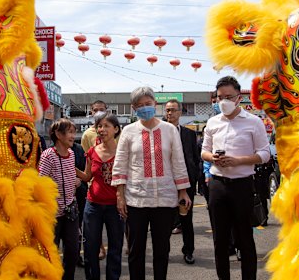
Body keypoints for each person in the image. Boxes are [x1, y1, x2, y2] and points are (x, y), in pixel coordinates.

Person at [111, 86, 192, 280]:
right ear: (133, 108)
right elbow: (120, 164)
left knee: (162, 251)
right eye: (140, 105)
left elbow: (178, 161)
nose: (145, 108)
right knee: (135, 251)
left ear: (155, 104)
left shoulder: (169, 130)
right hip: (136, 200)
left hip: (165, 199)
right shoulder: (129, 131)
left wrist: (183, 192)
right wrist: (120, 196)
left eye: (148, 103)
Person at [201, 76, 270, 280]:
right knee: (220, 240)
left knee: (245, 238)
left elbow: (264, 153)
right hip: (217, 185)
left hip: (242, 185)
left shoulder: (254, 122)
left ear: (239, 97)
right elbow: (204, 151)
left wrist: (239, 161)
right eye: (219, 97)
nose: (223, 102)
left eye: (228, 97)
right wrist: (212, 158)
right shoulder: (212, 122)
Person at [76, 113, 124, 280]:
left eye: (106, 126)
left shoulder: (123, 153)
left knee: (115, 249)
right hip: (93, 205)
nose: (102, 129)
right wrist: (69, 165)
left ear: (116, 129)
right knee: (90, 248)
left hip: (115, 207)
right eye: (99, 126)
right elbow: (87, 177)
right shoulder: (91, 151)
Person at [39, 118, 81, 280]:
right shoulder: (47, 156)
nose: (73, 136)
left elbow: (72, 175)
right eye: (70, 132)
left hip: (70, 211)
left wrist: (76, 182)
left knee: (73, 250)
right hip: (52, 214)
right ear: (58, 134)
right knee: (51, 252)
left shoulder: (71, 154)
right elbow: (41, 183)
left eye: (73, 132)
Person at [164, 99, 201, 265]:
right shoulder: (160, 132)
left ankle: (188, 251)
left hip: (186, 184)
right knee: (164, 222)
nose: (170, 113)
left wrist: (193, 178)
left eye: (173, 110)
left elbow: (194, 157)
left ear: (180, 112)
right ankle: (163, 252)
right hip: (165, 184)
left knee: (186, 220)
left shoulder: (189, 134)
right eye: (167, 110)